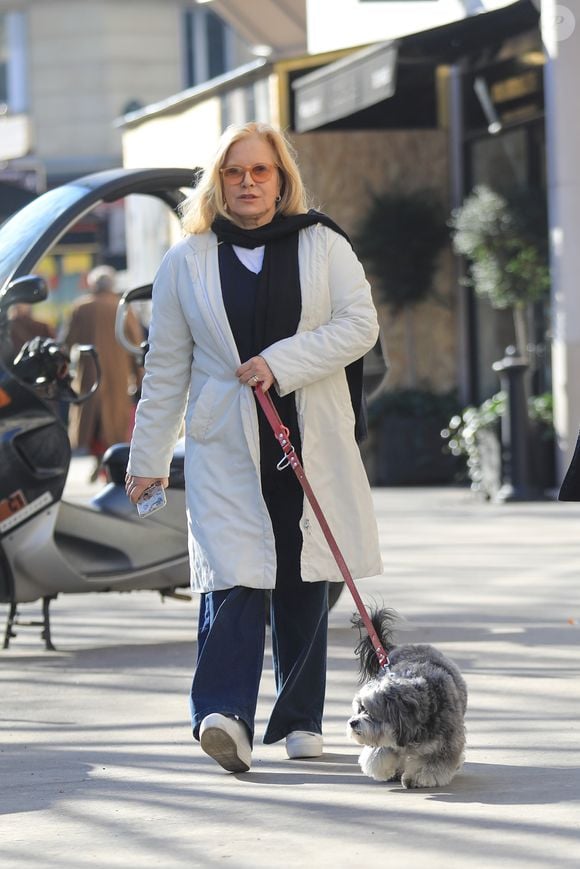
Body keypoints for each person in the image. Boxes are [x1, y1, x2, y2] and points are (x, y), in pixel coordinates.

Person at [125, 121, 383, 773]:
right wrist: (147, 460)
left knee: (304, 571)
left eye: (260, 170)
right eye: (234, 172)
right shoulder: (185, 260)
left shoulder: (323, 245)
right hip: (225, 439)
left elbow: (359, 325)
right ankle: (224, 715)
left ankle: (300, 717)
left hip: (309, 430)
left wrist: (281, 361)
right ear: (216, 183)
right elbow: (166, 367)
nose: (247, 182)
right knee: (234, 572)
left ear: (281, 179)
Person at [63, 265, 143, 478]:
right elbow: (136, 346)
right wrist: (141, 378)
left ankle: (101, 462)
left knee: (93, 424)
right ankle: (110, 464)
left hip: (90, 376)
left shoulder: (81, 307)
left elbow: (67, 342)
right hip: (118, 377)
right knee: (114, 424)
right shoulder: (122, 307)